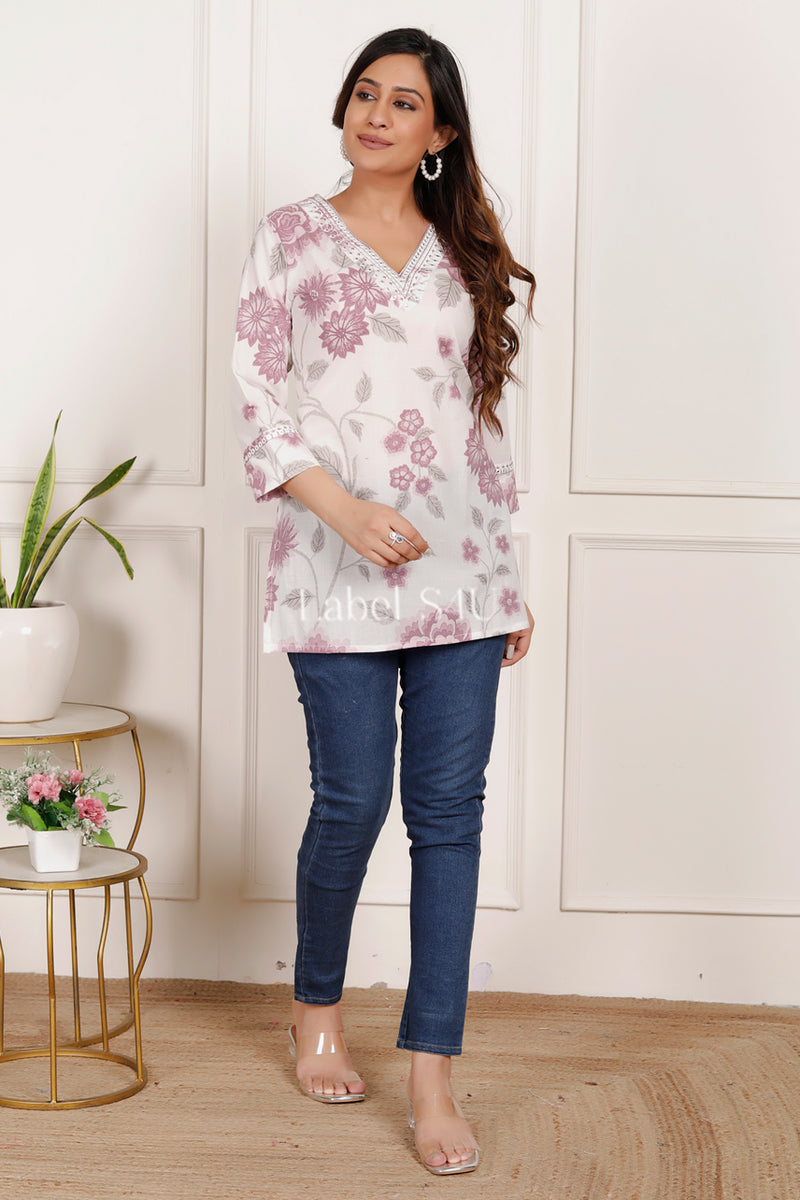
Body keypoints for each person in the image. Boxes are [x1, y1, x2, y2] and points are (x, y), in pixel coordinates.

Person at [232, 27, 535, 1176]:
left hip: (463, 573)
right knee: (351, 802)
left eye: (403, 101)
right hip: (332, 567)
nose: (375, 114)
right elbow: (257, 397)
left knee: (447, 818)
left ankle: (431, 1075)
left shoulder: (463, 252)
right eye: (364, 93)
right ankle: (313, 1008)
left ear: (438, 131)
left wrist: (509, 578)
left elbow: (480, 427)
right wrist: (345, 512)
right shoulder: (288, 237)